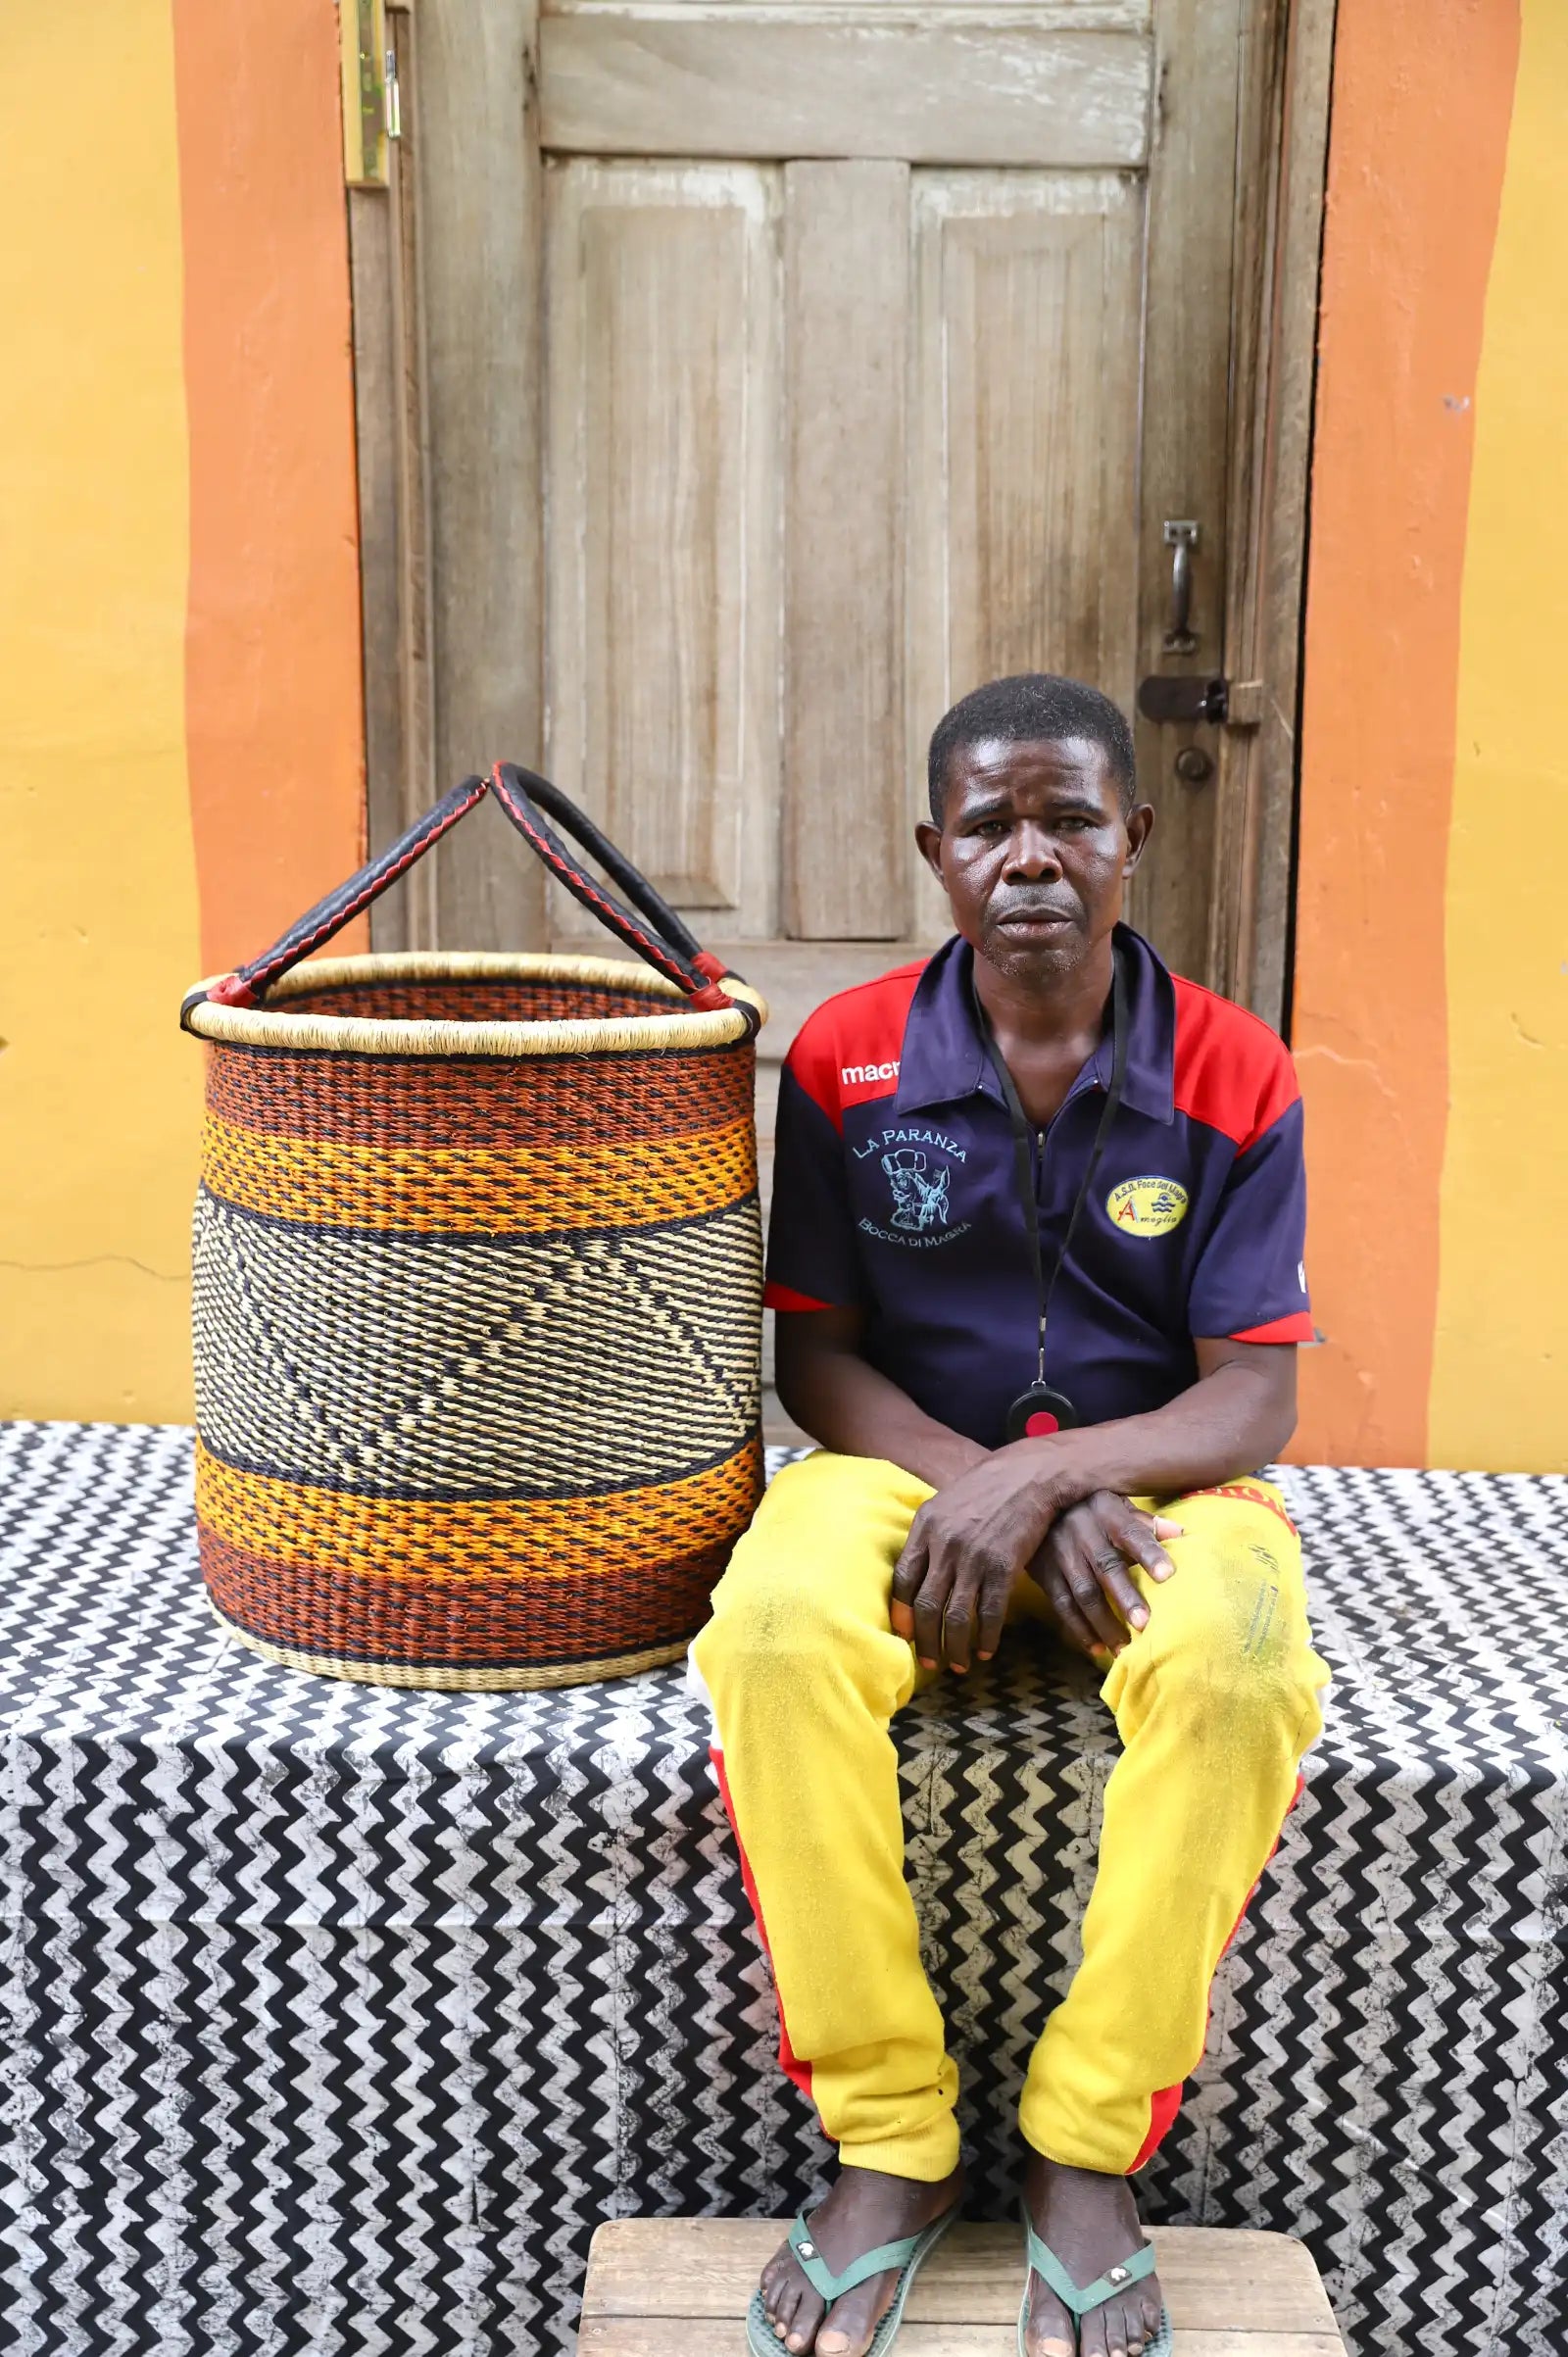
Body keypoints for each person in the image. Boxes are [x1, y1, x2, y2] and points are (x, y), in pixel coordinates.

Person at [690, 674, 1330, 2357]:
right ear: (936, 852)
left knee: (1242, 1666)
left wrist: (1049, 1478)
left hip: (1160, 1483)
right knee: (771, 1631)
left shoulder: (1236, 1068)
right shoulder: (847, 1057)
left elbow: (1253, 1396)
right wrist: (975, 1482)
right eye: (991, 824)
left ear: (1133, 834)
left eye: (1068, 819)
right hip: (901, 1466)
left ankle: (1083, 2145)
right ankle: (893, 2139)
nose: (1031, 856)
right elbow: (816, 1358)